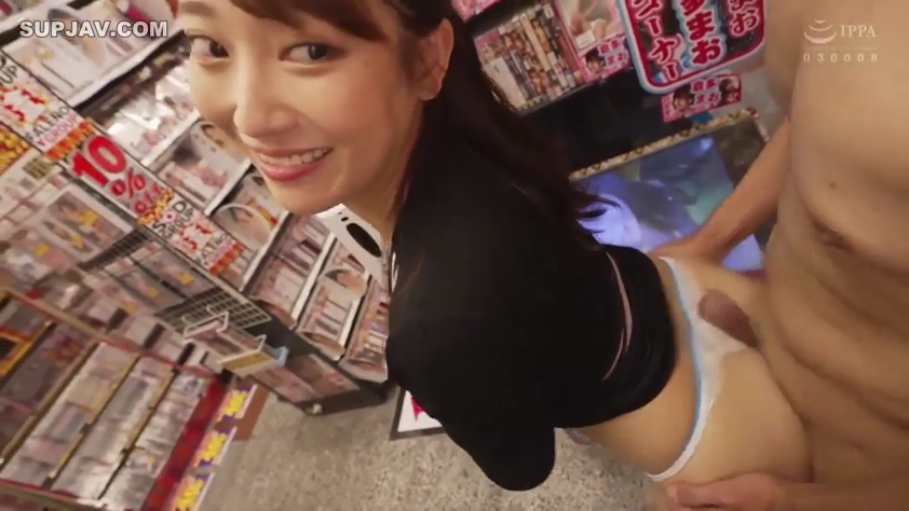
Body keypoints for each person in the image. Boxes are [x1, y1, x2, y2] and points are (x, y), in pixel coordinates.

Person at [177, 0, 810, 496]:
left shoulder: (433, 327)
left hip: (716, 452)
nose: (249, 116)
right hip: (693, 294)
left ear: (427, 59)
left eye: (311, 51)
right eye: (212, 47)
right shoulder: (484, 140)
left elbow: (523, 466)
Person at [654, 3, 909, 509]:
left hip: (865, 474)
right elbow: (814, 119)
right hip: (770, 339)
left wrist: (787, 502)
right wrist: (709, 243)